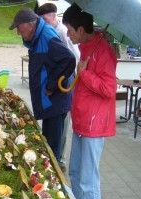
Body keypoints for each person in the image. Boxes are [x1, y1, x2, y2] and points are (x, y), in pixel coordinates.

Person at [62, 4, 117, 199]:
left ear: (81, 29)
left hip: (95, 125)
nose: (67, 34)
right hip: (82, 121)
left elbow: (109, 89)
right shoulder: (86, 48)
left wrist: (85, 75)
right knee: (74, 172)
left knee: (88, 177)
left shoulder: (103, 51)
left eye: (69, 29)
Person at [9, 8, 76, 171]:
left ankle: (52, 179)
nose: (18, 33)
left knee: (52, 147)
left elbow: (69, 59)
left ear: (29, 25)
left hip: (55, 101)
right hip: (50, 102)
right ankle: (50, 171)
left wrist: (52, 85)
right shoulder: (38, 35)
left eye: (19, 28)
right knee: (49, 141)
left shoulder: (46, 35)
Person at [36, 3, 80, 172]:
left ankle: (59, 159)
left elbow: (73, 59)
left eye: (46, 20)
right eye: (42, 21)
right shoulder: (54, 30)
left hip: (66, 84)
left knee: (61, 125)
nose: (44, 24)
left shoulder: (61, 32)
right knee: (58, 125)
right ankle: (57, 157)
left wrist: (70, 85)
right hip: (61, 83)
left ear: (54, 17)